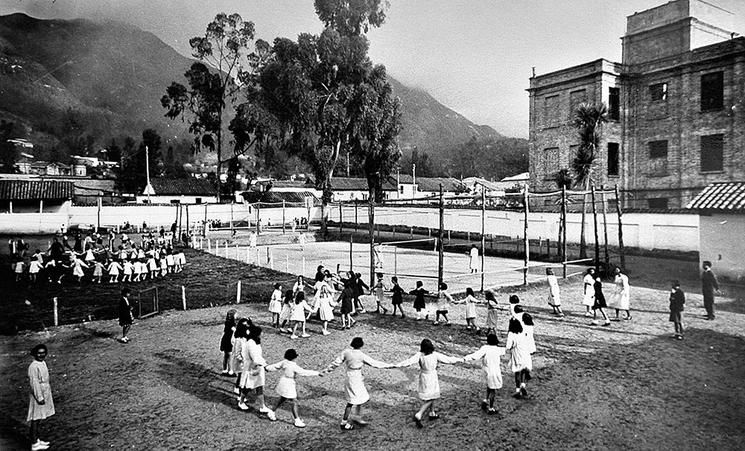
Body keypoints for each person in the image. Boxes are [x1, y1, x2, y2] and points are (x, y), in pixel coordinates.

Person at [324, 337, 393, 430]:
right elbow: (374, 363)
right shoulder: (361, 355)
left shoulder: (346, 352)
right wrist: (389, 366)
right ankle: (343, 422)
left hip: (351, 376)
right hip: (355, 377)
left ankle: (357, 416)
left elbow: (336, 363)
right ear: (361, 345)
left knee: (359, 398)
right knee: (351, 401)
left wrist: (327, 370)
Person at [395, 338, 463, 428]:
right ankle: (419, 414)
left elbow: (409, 361)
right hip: (432, 377)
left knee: (430, 395)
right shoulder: (435, 355)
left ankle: (432, 412)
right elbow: (448, 359)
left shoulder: (419, 355)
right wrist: (461, 359)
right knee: (432, 397)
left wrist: (397, 365)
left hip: (424, 377)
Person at [265, 349, 323, 428]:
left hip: (283, 382)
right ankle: (297, 420)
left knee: (283, 398)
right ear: (294, 357)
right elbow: (304, 372)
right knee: (294, 401)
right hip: (289, 384)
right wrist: (317, 373)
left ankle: (272, 411)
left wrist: (267, 368)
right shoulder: (293, 366)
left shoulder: (284, 362)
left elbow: (275, 366)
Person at [238, 326, 275, 419]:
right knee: (248, 386)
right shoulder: (250, 343)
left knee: (259, 385)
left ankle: (262, 406)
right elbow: (255, 357)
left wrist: (263, 364)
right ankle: (241, 402)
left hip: (257, 367)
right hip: (251, 367)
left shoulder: (255, 342)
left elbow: (258, 356)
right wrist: (265, 365)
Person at [463, 334, 505, 415]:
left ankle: (485, 400)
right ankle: (491, 408)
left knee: (489, 386)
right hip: (494, 371)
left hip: (486, 370)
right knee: (493, 390)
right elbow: (507, 349)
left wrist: (466, 358)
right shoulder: (498, 349)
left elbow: (476, 355)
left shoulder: (485, 348)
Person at [27, 344, 54, 451]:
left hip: (45, 391)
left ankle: (37, 439)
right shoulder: (33, 366)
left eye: (43, 353)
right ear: (35, 354)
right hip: (38, 394)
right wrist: (39, 397)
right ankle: (34, 443)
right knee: (35, 419)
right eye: (39, 353)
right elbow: (34, 383)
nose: (41, 355)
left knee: (40, 418)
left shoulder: (42, 363)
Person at [506, 318, 532, 399]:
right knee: (523, 370)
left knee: (517, 371)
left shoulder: (511, 334)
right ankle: (523, 385)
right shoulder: (523, 332)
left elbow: (508, 346)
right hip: (525, 353)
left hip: (517, 354)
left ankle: (518, 391)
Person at [220, 309, 237, 376]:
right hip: (229, 340)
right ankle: (230, 371)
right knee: (230, 356)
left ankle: (224, 370)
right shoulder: (232, 323)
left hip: (225, 339)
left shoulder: (227, 322)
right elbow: (234, 331)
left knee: (226, 356)